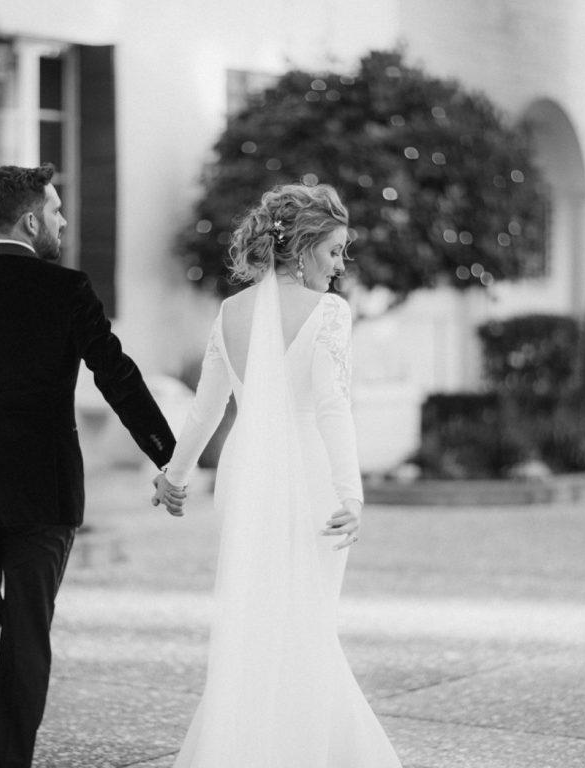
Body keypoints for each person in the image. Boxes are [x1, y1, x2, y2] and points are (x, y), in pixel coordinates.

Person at [0, 163, 183, 768]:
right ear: (30, 220)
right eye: (56, 212)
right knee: (29, 629)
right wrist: (170, 455)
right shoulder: (68, 289)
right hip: (43, 492)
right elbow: (117, 377)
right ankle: (11, 762)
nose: (62, 222)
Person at [154, 183, 402, 767]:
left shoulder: (231, 311)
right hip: (314, 478)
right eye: (335, 251)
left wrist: (175, 475)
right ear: (304, 247)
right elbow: (332, 406)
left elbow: (206, 409)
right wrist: (352, 494)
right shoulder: (328, 314)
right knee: (308, 619)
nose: (341, 267)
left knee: (259, 616)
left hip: (246, 476)